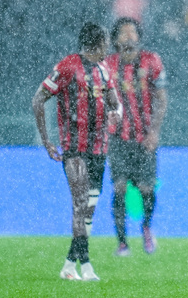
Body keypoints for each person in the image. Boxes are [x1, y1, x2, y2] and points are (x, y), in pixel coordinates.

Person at [32, 22, 122, 281]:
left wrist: (115, 114)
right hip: (74, 148)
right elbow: (39, 98)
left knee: (89, 209)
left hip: (99, 148)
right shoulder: (68, 66)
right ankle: (88, 266)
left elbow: (116, 104)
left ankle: (70, 265)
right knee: (80, 204)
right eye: (106, 41)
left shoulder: (105, 70)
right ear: (99, 42)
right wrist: (47, 141)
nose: (109, 46)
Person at [105, 17, 168, 256]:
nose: (129, 36)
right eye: (123, 32)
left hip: (144, 138)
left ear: (139, 37)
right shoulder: (108, 65)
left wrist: (154, 132)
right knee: (119, 187)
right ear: (115, 39)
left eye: (133, 32)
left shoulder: (151, 61)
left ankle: (146, 229)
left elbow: (161, 99)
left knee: (146, 188)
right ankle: (122, 242)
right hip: (117, 138)